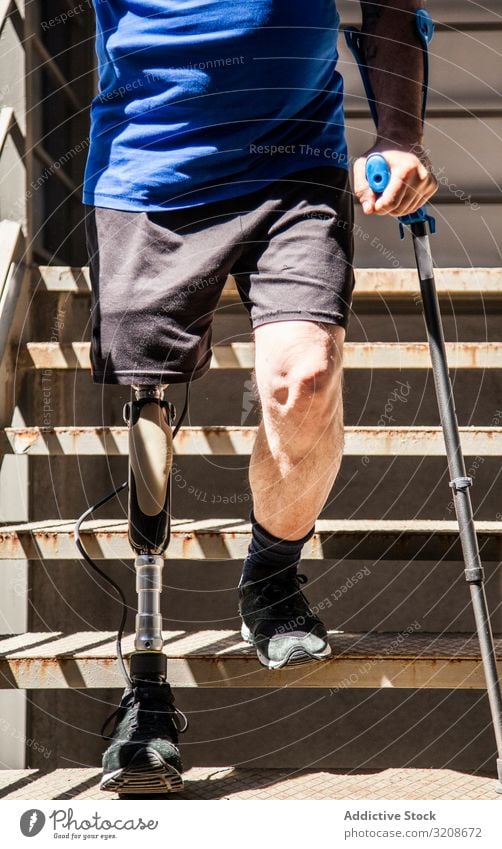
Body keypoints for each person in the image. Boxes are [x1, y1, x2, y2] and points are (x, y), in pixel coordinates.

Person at [83, 0, 438, 791]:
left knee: (303, 375)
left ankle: (272, 577)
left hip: (295, 162)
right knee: (150, 416)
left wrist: (401, 136)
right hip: (150, 167)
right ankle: (145, 689)